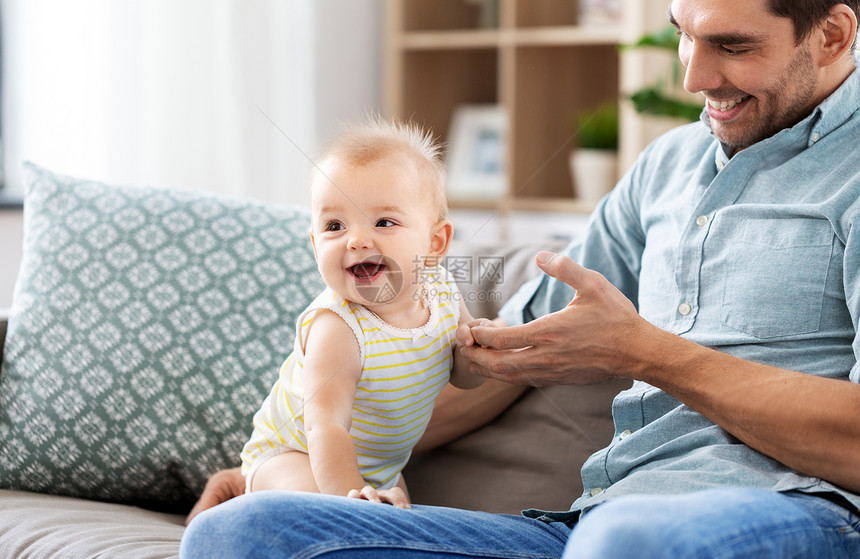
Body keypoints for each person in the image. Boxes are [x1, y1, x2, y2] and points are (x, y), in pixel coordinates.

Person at [180, 1, 860, 557]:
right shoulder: (667, 165)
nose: (692, 77)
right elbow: (511, 357)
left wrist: (645, 352)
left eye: (732, 46)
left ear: (831, 35)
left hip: (795, 513)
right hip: (587, 523)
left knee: (629, 544)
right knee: (242, 532)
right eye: (683, 35)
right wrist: (291, 468)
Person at [237, 117, 483, 509]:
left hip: (381, 468)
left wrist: (476, 350)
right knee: (321, 510)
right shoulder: (337, 327)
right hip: (294, 455)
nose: (356, 240)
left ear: (435, 243)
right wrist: (353, 498)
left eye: (384, 222)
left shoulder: (443, 292)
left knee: (397, 523)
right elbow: (326, 427)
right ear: (316, 246)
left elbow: (465, 378)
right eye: (335, 225)